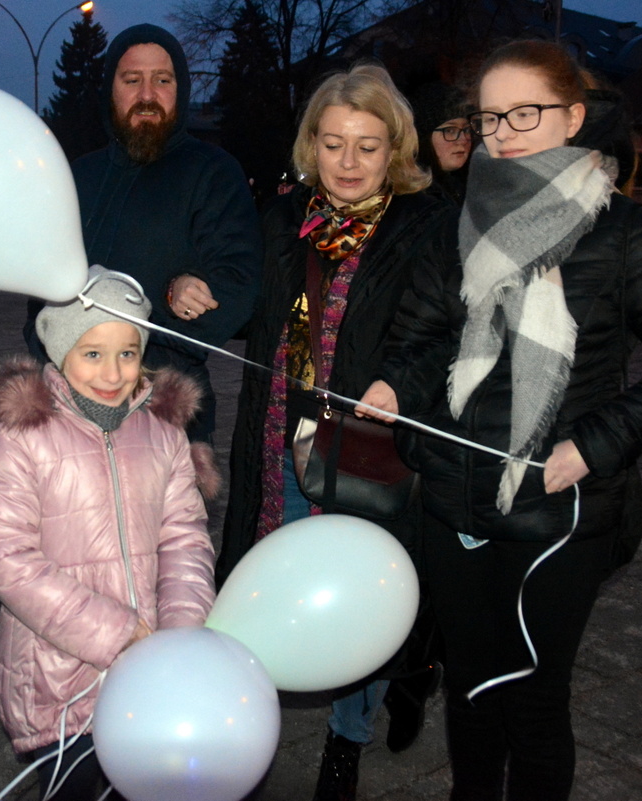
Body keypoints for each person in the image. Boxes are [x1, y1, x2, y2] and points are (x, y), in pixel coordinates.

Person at [359, 40, 642, 801]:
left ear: (574, 117)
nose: (504, 132)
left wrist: (595, 445)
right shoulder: (453, 227)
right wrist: (397, 386)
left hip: (560, 510)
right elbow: (420, 344)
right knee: (470, 690)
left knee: (531, 700)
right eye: (491, 117)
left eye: (525, 112)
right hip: (454, 500)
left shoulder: (624, 231)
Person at [216, 63, 457, 801]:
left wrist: (401, 382)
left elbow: (446, 331)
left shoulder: (424, 225)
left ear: (395, 150)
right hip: (278, 438)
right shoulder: (285, 219)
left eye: (367, 146)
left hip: (365, 448)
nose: (348, 162)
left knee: (358, 599)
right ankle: (243, 724)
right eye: (333, 144)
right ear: (310, 145)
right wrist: (194, 289)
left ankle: (347, 739)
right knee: (272, 584)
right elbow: (248, 305)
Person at [0, 266, 218, 800]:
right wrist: (115, 631)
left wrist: (180, 632)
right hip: (59, 677)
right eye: (92, 353)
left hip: (149, 673)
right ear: (61, 352)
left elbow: (185, 539)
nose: (112, 372)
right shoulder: (24, 433)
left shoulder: (164, 431)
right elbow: (4, 552)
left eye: (127, 353)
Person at [24, 23, 263, 446]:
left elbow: (239, 283)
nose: (148, 95)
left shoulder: (212, 172)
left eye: (162, 80)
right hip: (69, 408)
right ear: (110, 90)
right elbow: (41, 287)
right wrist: (47, 348)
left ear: (180, 89)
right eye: (132, 80)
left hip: (165, 413)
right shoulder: (78, 176)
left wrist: (175, 295)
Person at [410, 82, 472, 206]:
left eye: (467, 129)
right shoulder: (415, 200)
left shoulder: (474, 184)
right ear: (424, 138)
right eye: (449, 131)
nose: (463, 139)